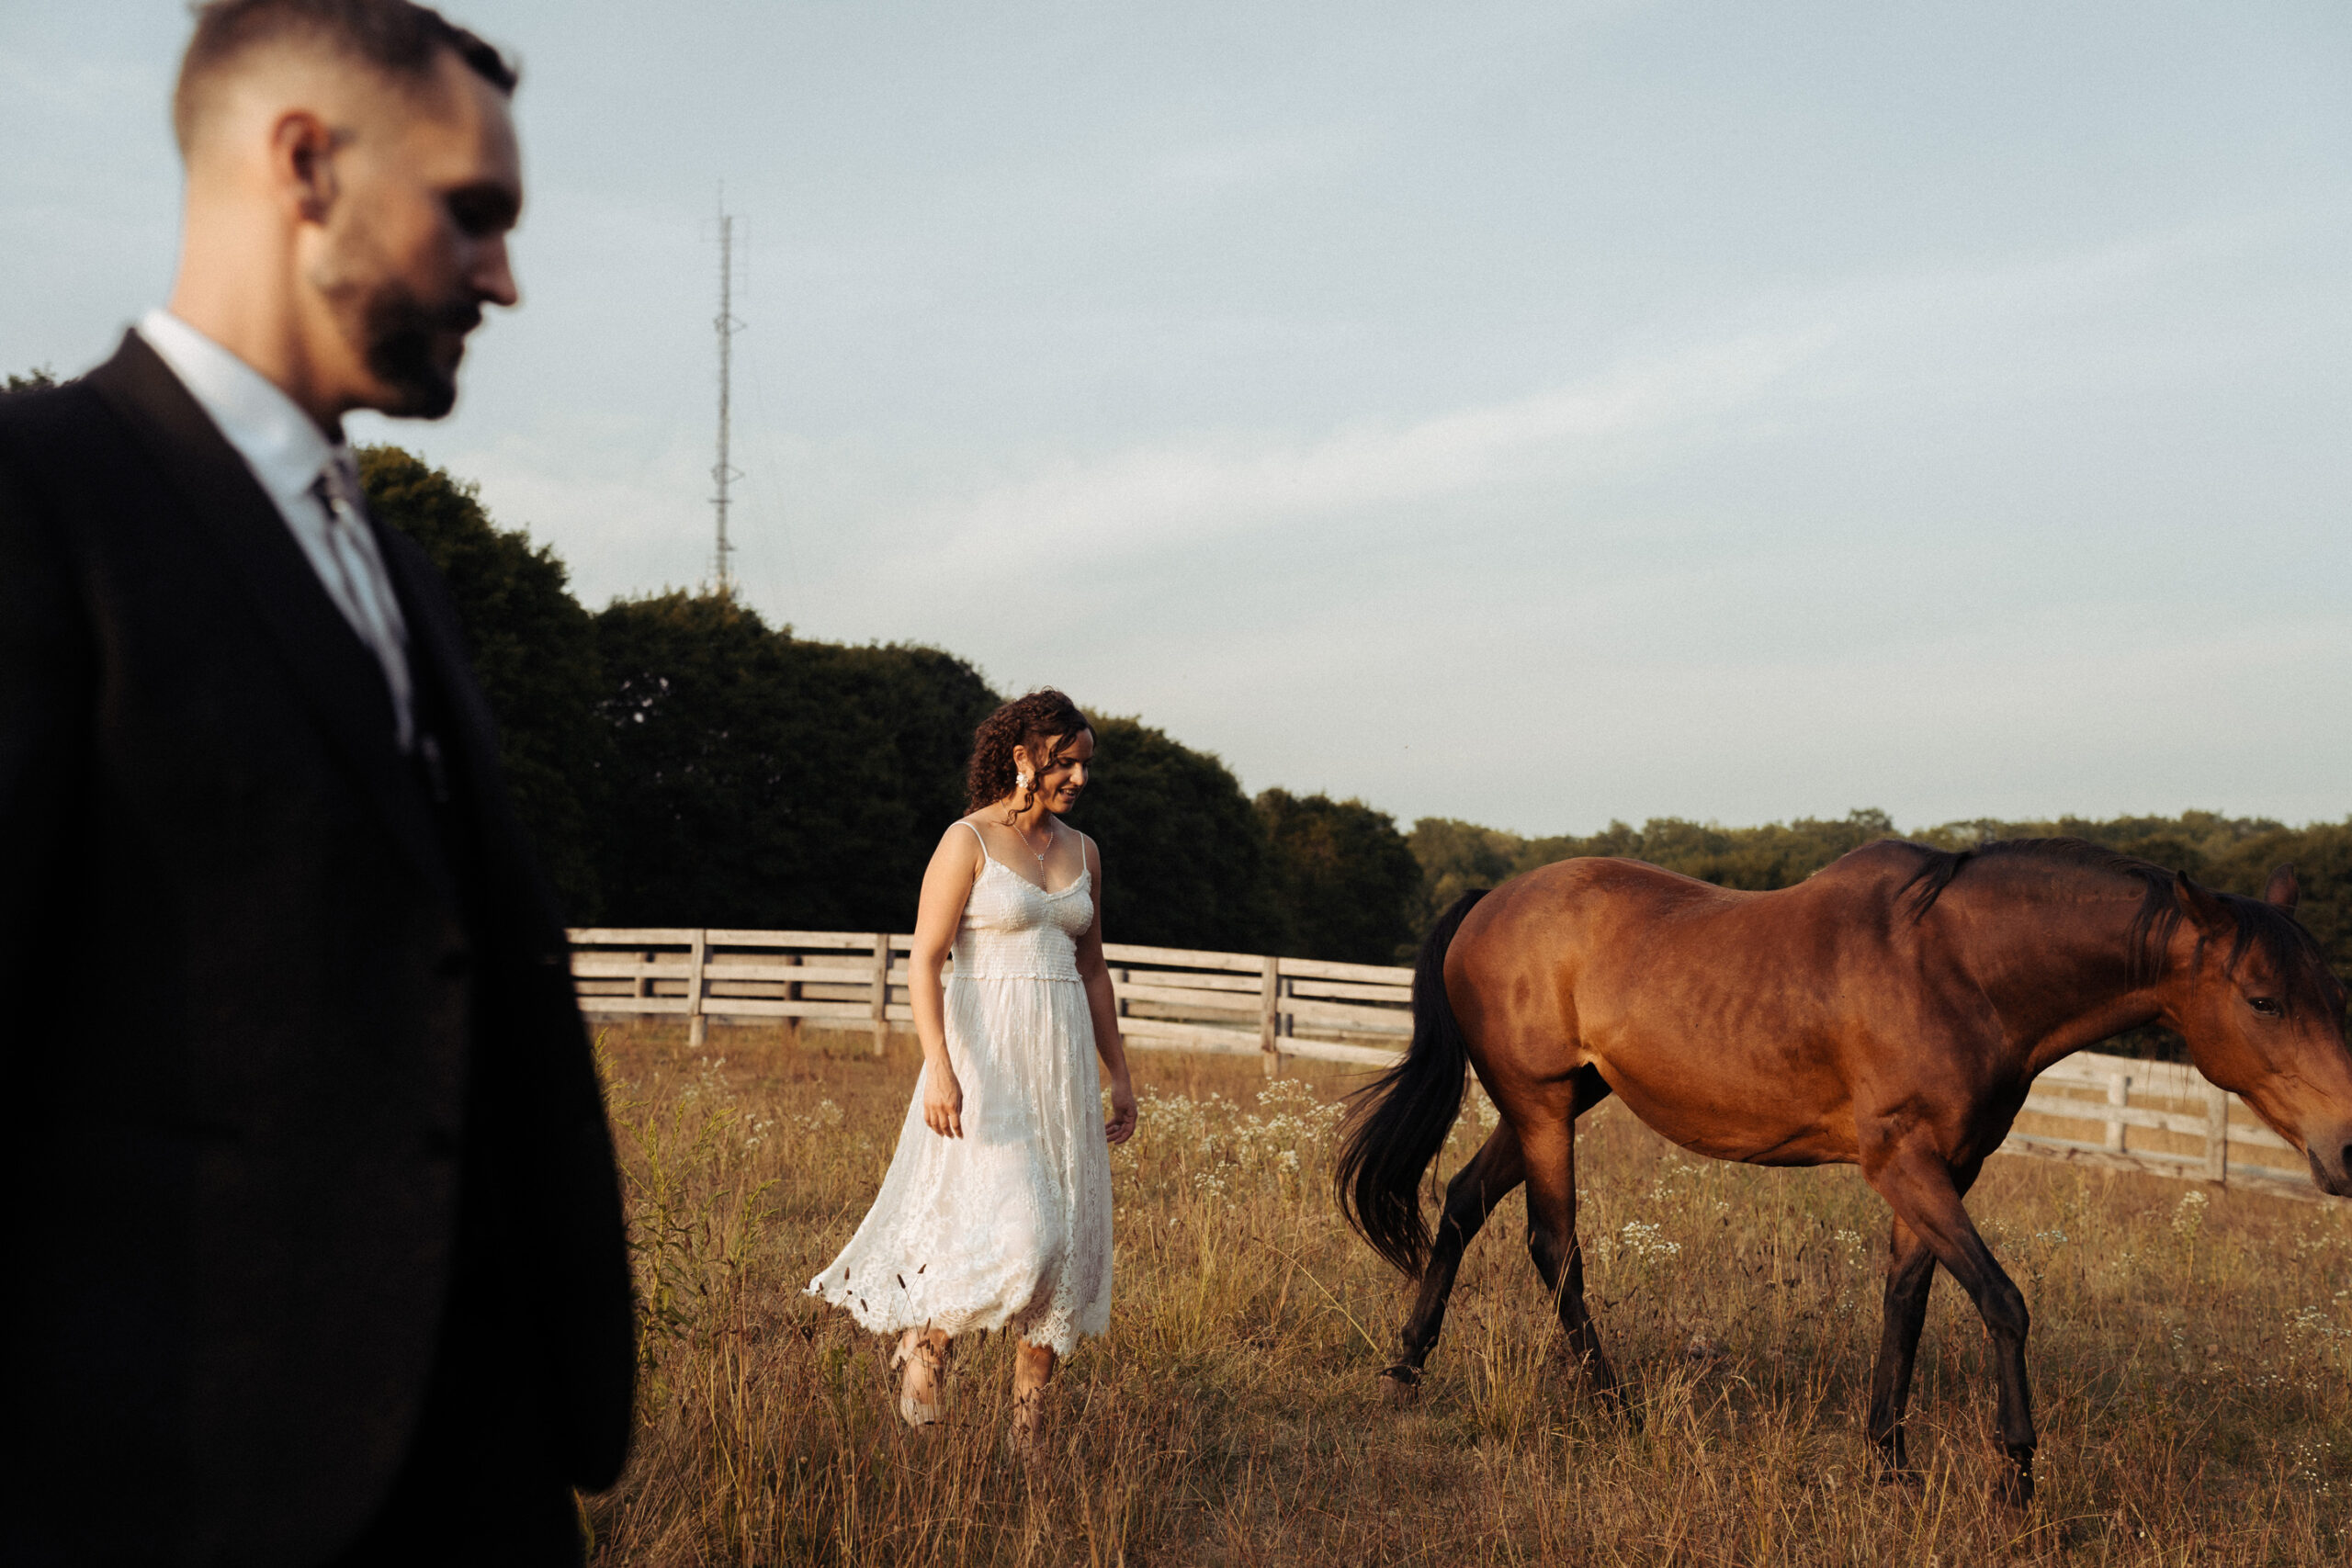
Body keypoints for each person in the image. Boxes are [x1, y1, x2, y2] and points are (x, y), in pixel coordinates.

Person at [0, 2, 633, 1562]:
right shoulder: (39, 499)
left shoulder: (402, 576)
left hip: (476, 1477)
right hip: (173, 1490)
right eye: (471, 214)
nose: (503, 276)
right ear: (305, 163)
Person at [808, 689, 1139, 1450]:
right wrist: (939, 1067)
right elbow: (925, 960)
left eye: (1086, 764)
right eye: (1065, 762)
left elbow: (1092, 969)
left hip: (1061, 1069)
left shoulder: (1085, 851)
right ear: (1021, 757)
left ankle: (1029, 1437)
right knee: (1025, 1232)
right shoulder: (969, 841)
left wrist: (1117, 1073)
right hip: (986, 1061)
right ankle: (926, 1343)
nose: (1079, 778)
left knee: (1068, 1254)